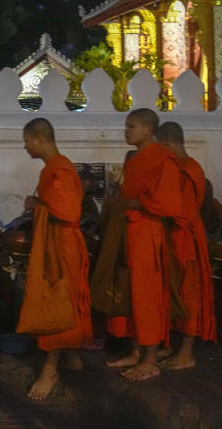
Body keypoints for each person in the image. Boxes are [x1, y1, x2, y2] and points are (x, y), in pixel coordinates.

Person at [105, 108, 181, 381]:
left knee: (147, 297)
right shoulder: (136, 160)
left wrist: (137, 203)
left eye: (132, 126)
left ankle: (150, 360)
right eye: (126, 126)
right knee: (132, 295)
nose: (126, 131)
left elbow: (170, 204)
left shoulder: (164, 160)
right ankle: (136, 352)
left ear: (149, 130)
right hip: (131, 232)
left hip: (148, 235)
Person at [20, 118, 92, 400]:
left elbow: (68, 212)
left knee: (56, 302)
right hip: (59, 242)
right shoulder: (55, 167)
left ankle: (50, 369)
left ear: (39, 139)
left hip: (62, 244)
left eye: (27, 141)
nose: (25, 147)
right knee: (67, 298)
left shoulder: (59, 169)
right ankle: (71, 355)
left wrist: (34, 204)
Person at [155, 121, 216, 369]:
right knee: (171, 293)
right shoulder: (177, 168)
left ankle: (187, 353)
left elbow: (183, 214)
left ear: (168, 143)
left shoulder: (189, 170)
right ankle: (169, 343)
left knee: (189, 295)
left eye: (160, 147)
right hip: (173, 238)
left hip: (186, 240)